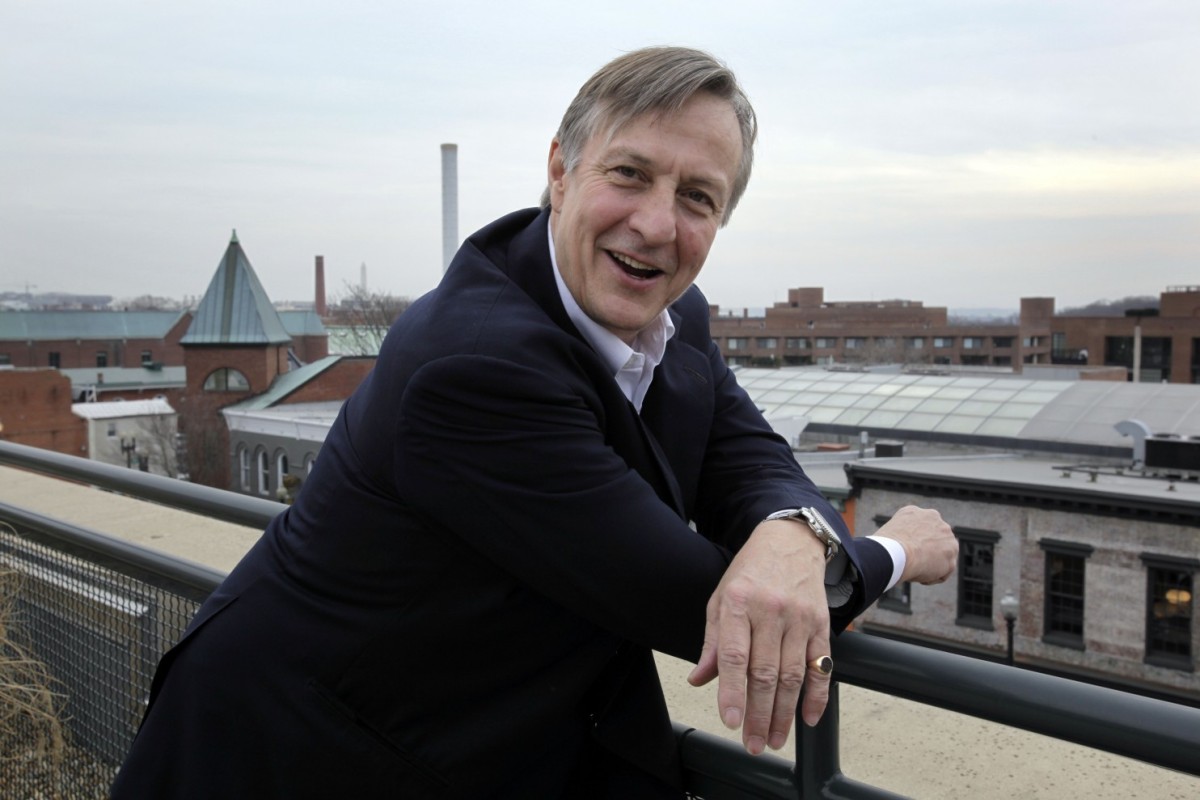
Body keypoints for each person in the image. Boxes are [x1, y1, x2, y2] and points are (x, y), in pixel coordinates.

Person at [112, 46, 957, 799]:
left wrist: (793, 528)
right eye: (629, 174)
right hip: (299, 750)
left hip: (470, 729)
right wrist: (896, 550)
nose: (658, 225)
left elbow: (748, 456)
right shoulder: (472, 367)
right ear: (559, 170)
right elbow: (705, 604)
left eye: (697, 197)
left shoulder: (675, 314)